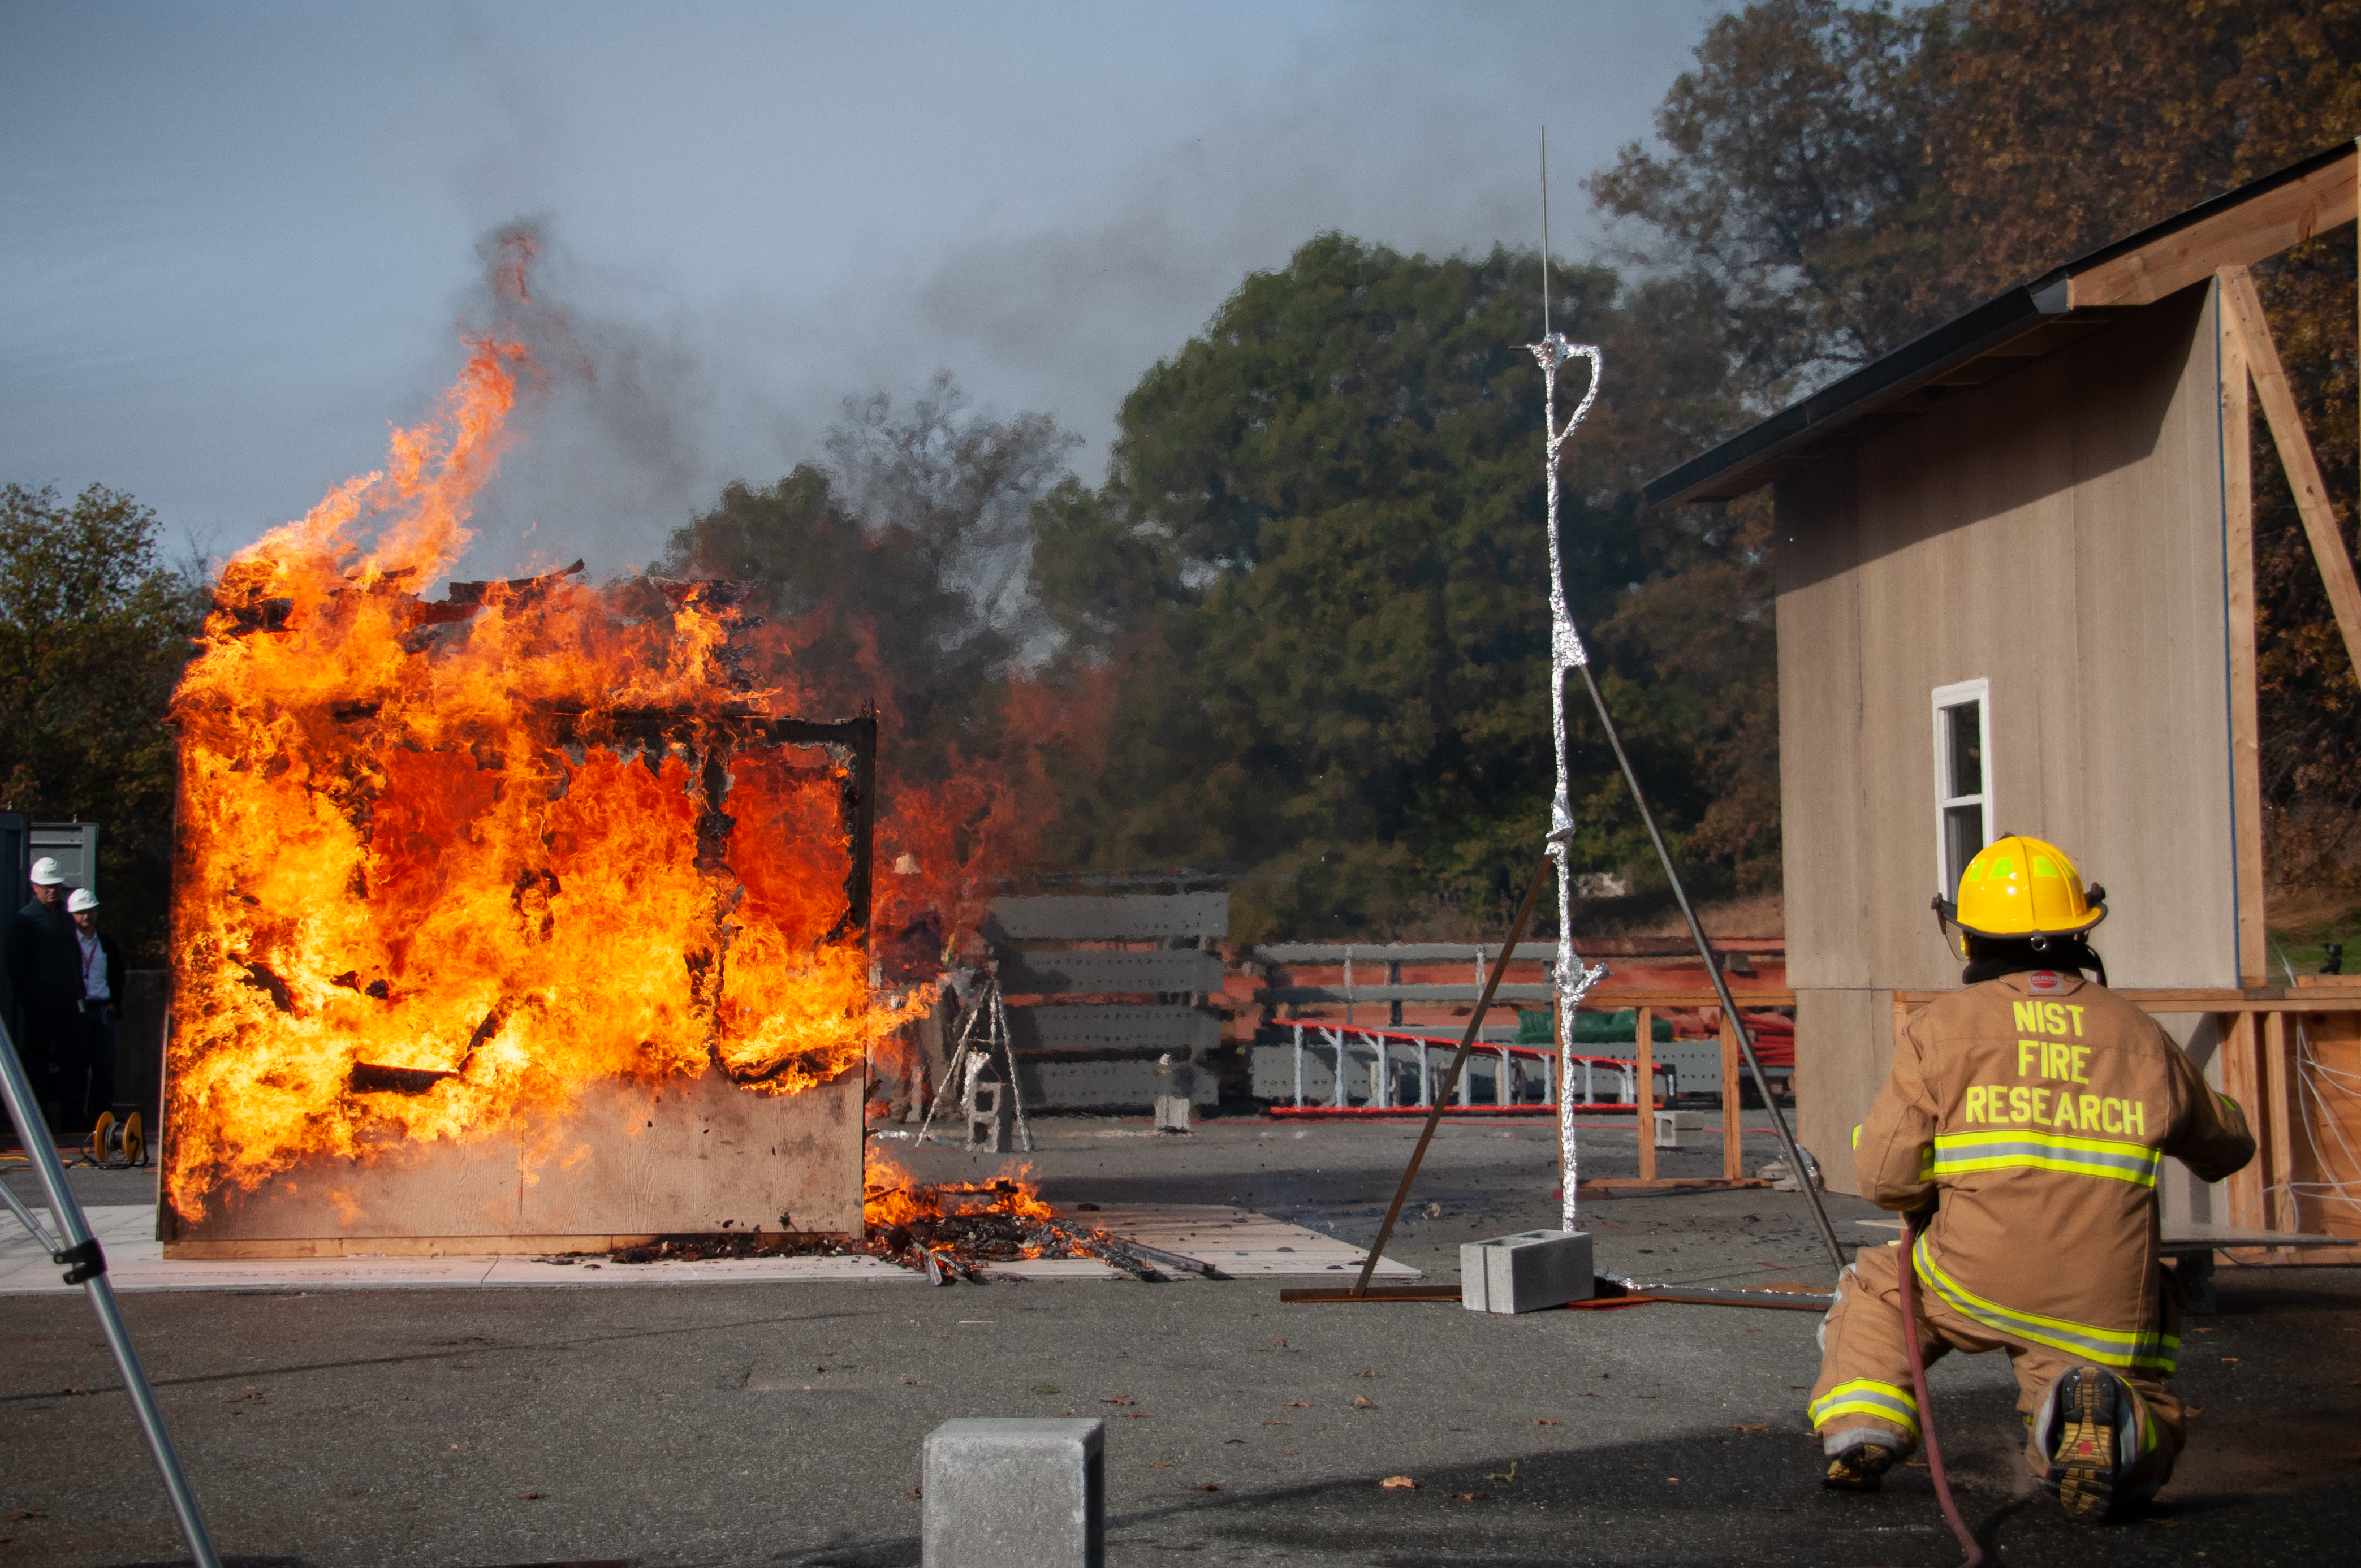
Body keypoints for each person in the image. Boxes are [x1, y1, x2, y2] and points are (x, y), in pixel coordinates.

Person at [1807, 834, 2254, 1522]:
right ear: (2082, 928)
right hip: (2102, 1299)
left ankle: (1861, 1426)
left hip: (1970, 1277)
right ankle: (2103, 1430)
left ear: (1968, 936)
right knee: (2108, 1389)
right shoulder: (2138, 1034)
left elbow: (1887, 1178)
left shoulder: (1941, 1027)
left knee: (1879, 1290)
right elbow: (2225, 1149)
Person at [6, 857, 84, 1130]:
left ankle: (72, 1116)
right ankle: (38, 1119)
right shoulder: (26, 921)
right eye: (47, 886)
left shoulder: (64, 918)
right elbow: (16, 965)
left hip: (67, 1002)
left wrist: (78, 990)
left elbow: (74, 954)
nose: (52, 891)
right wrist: (31, 999)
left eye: (56, 886)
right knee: (38, 1061)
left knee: (72, 1058)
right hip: (42, 1003)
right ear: (34, 887)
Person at [66, 887, 122, 1131]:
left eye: (89, 911)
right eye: (80, 913)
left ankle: (103, 1118)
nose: (85, 916)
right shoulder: (67, 944)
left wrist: (115, 1003)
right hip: (77, 1010)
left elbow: (119, 974)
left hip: (102, 1011)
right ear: (72, 915)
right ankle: (74, 1118)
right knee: (75, 1065)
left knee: (104, 1066)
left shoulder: (106, 943)